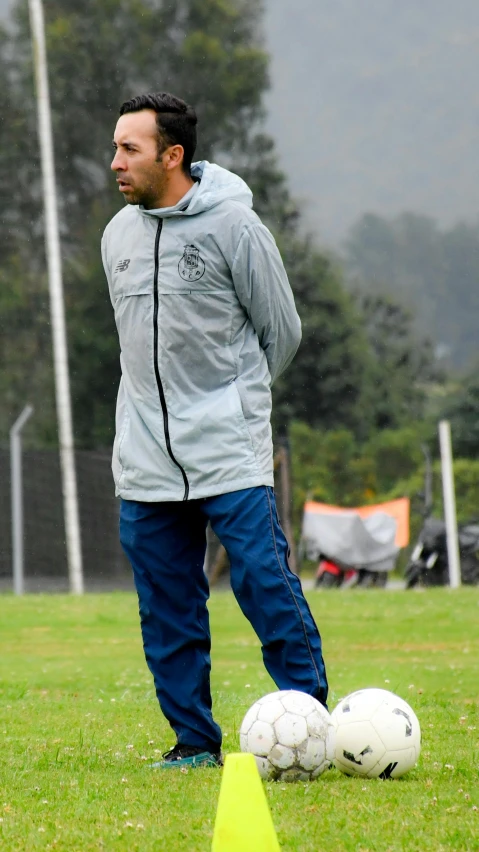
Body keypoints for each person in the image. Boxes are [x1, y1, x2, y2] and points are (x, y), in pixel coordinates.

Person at [101, 91, 328, 769]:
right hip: (144, 458)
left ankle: (308, 723)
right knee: (167, 608)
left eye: (128, 149)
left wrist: (235, 400)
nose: (114, 161)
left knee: (263, 583)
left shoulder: (236, 228)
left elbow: (280, 332)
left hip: (229, 452)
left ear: (172, 155)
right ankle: (193, 742)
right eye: (114, 146)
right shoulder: (117, 235)